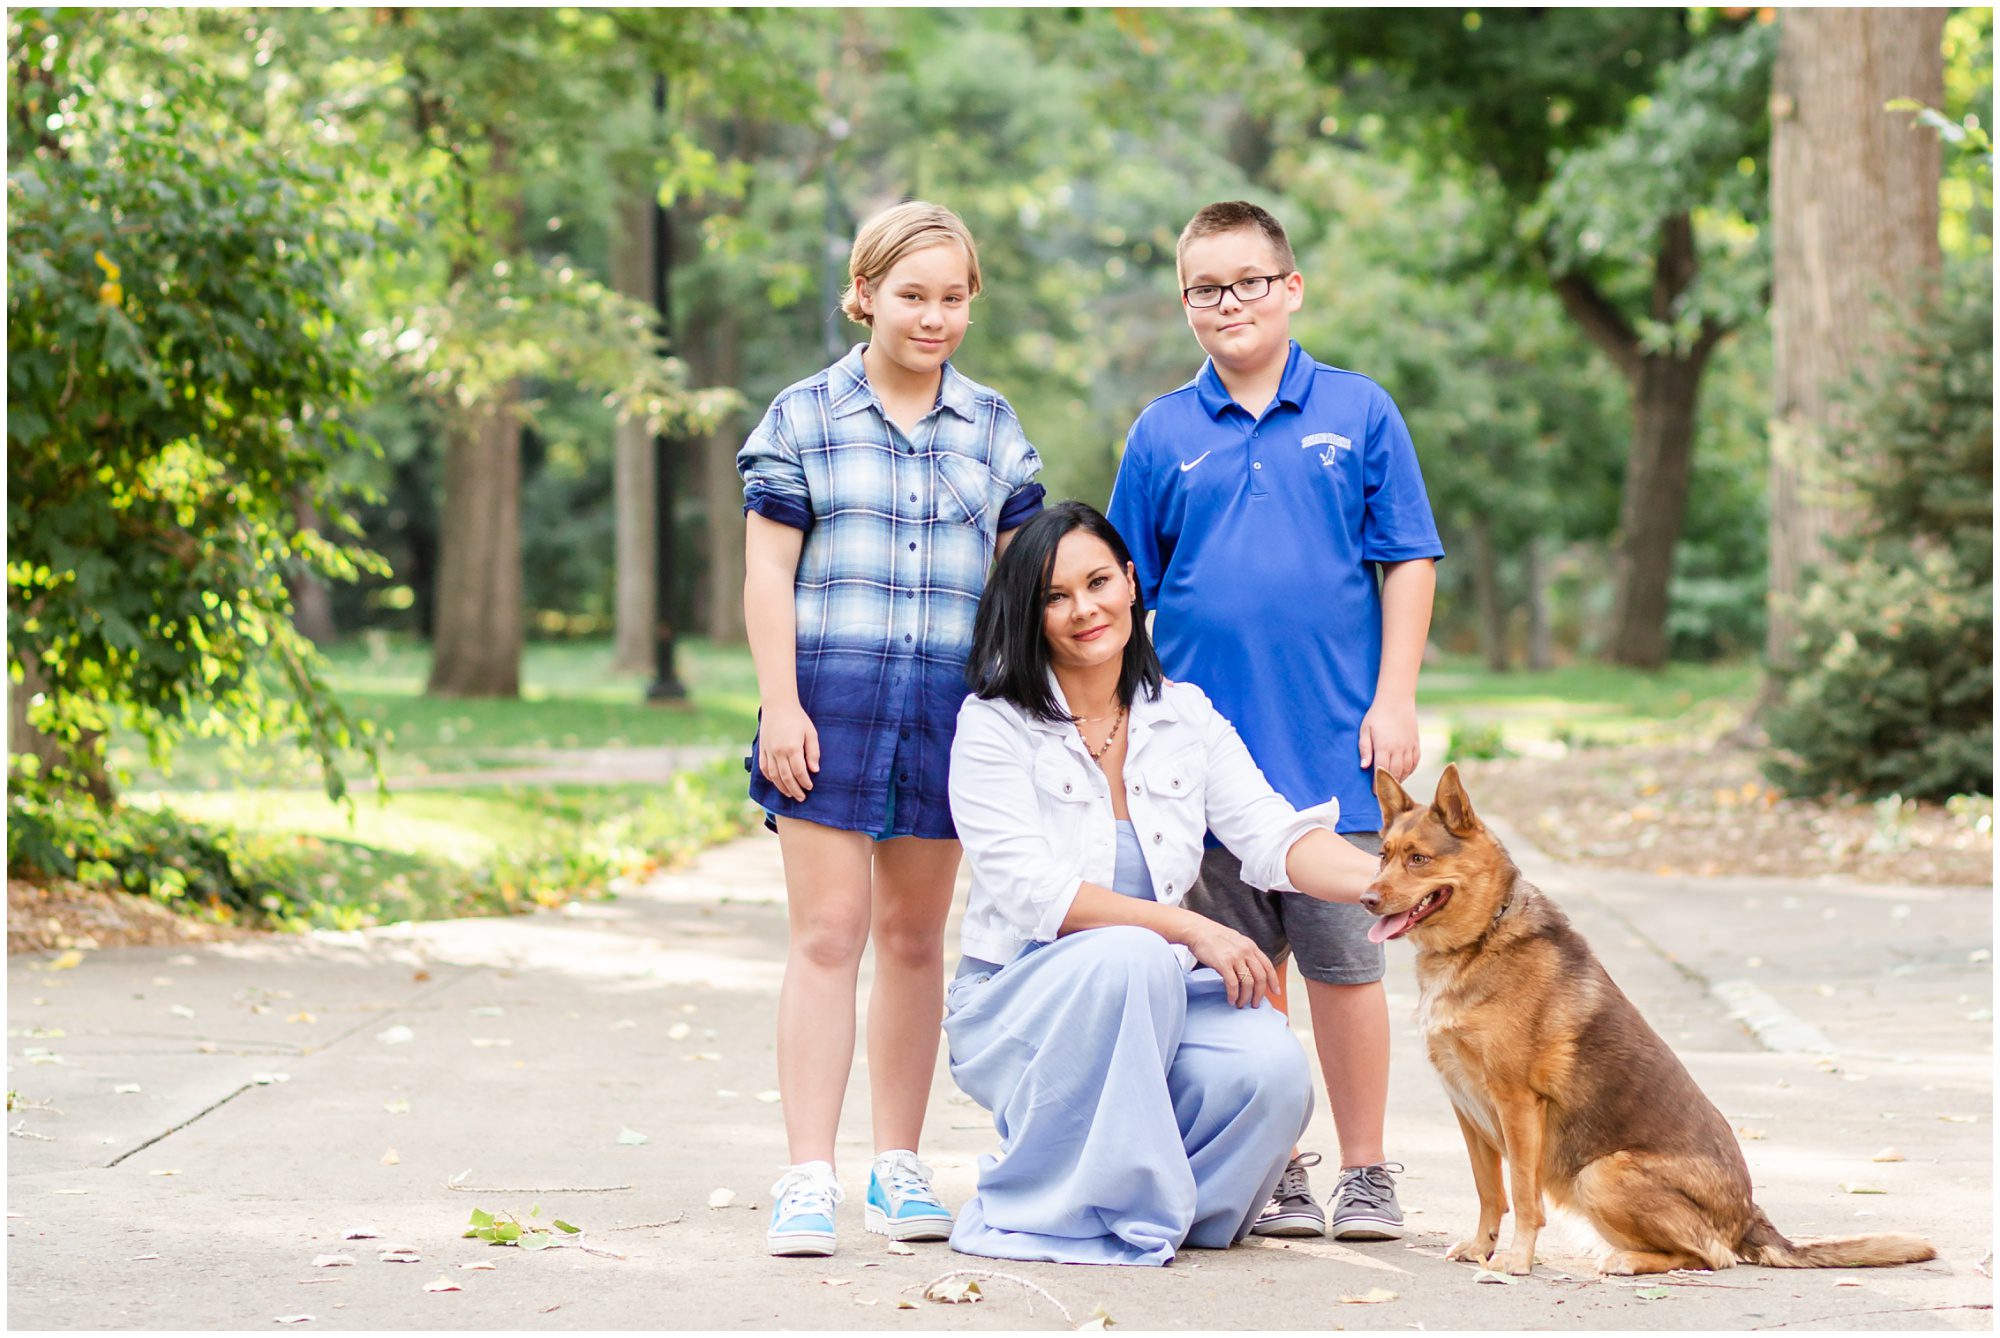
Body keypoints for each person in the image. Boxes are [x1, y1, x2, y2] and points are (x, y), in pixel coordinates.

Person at [1105, 200, 1442, 1242]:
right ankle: (1278, 1166)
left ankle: (1367, 1170)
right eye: (1206, 288)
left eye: (1248, 281)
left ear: (1289, 288)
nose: (1228, 303)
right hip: (1200, 771)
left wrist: (1393, 698)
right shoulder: (1162, 432)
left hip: (1331, 757)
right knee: (1238, 977)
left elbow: (1408, 560)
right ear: (1185, 305)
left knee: (1345, 968)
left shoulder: (1357, 411)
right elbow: (1118, 593)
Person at [943, 501, 1385, 1266]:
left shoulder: (1183, 716)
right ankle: (1050, 1207)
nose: (1084, 609)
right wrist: (1188, 926)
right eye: (1055, 596)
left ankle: (1161, 1214)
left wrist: (1387, 883)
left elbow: (1273, 836)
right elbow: (1030, 892)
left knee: (1272, 1073)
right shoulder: (994, 724)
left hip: (1152, 994)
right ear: (1029, 614)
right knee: (1133, 952)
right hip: (1018, 998)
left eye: (1099, 582)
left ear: (1132, 582)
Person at [737, 200, 1045, 1258]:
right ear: (863, 294)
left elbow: (1020, 588)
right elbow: (766, 572)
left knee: (915, 940)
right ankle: (807, 1177)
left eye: (953, 298)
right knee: (827, 936)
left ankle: (899, 1166)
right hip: (829, 704)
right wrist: (780, 702)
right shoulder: (803, 417)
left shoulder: (992, 427)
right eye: (912, 296)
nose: (934, 317)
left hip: (948, 715)